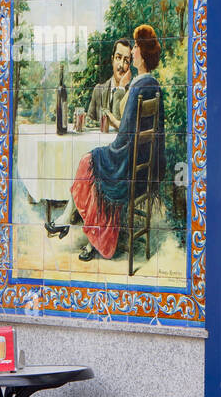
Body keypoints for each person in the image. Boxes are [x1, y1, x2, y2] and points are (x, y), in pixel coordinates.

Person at [46, 24, 165, 261]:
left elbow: (123, 137)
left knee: (88, 162)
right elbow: (131, 129)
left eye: (136, 48)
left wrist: (105, 153)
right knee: (92, 163)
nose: (132, 54)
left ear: (142, 53)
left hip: (128, 166)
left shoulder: (138, 87)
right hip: (142, 165)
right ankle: (72, 223)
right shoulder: (152, 85)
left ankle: (78, 227)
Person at [86, 38, 133, 132]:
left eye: (126, 61)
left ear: (129, 66)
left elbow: (122, 128)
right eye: (118, 58)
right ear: (112, 60)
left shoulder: (132, 93)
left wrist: (121, 88)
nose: (121, 65)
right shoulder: (98, 90)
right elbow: (89, 123)